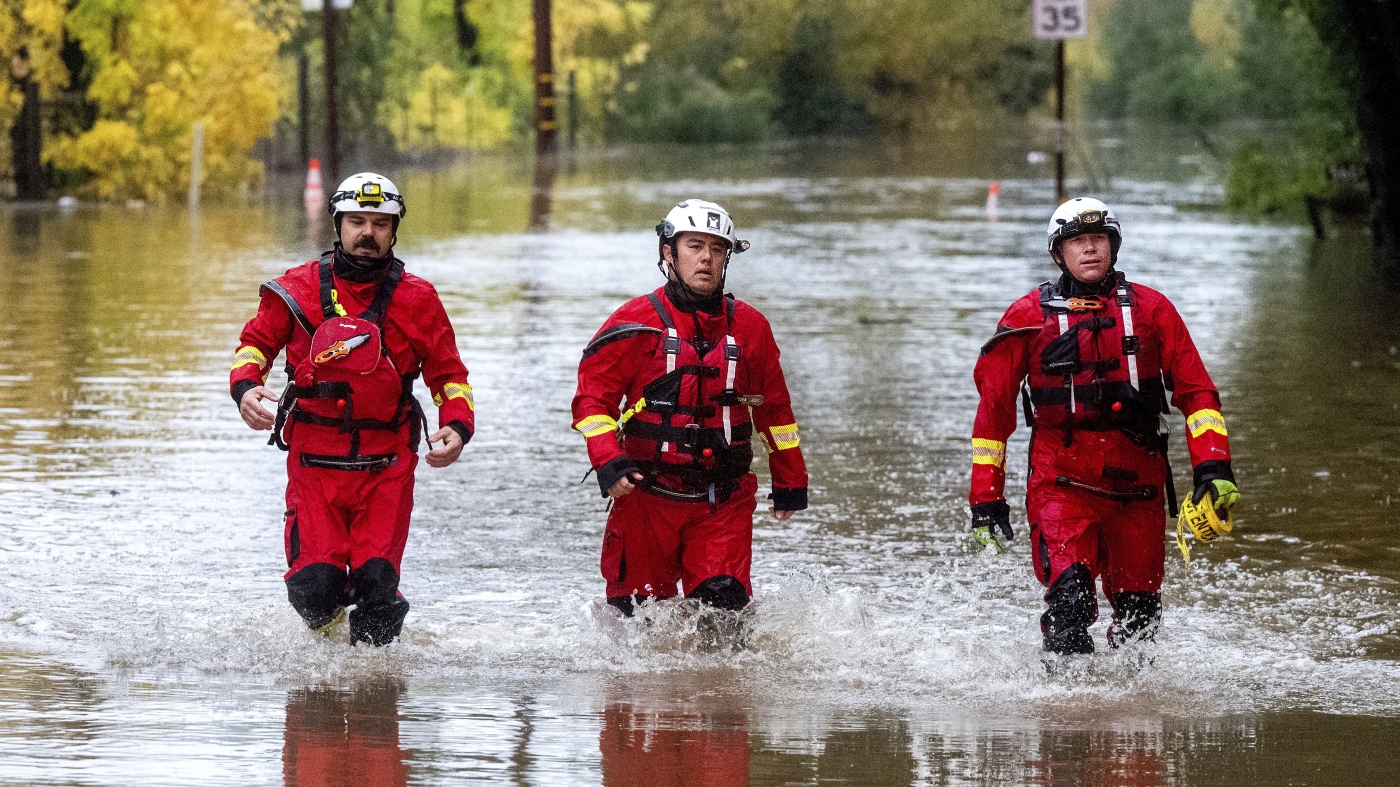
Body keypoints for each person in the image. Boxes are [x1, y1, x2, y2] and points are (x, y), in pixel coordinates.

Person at [968, 197, 1239, 655]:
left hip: (1139, 489)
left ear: (1113, 246)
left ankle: (1132, 721)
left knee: (1140, 625)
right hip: (1062, 485)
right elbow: (994, 411)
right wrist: (986, 498)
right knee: (1069, 608)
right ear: (1058, 254)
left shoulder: (1154, 311)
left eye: (1098, 239)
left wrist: (1213, 467)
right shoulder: (1027, 319)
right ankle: (1065, 719)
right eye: (1077, 241)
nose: (1090, 249)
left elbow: (1197, 394)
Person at [231, 173, 474, 646]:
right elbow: (254, 346)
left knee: (378, 587)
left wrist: (457, 427)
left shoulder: (419, 299)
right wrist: (245, 388)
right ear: (337, 224)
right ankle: (331, 653)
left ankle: (375, 696)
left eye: (380, 223)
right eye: (357, 221)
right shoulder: (294, 289)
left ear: (394, 230)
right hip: (314, 462)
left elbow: (449, 376)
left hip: (387, 465)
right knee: (312, 588)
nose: (368, 232)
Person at [572, 200, 808, 617]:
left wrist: (790, 476)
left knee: (724, 615)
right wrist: (609, 461)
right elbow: (593, 402)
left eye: (717, 249)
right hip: (646, 498)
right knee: (635, 625)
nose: (706, 258)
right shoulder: (634, 322)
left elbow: (775, 410)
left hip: (722, 500)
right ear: (669, 252)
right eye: (695, 246)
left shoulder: (751, 328)